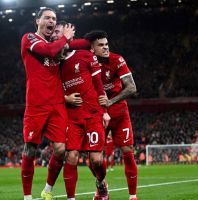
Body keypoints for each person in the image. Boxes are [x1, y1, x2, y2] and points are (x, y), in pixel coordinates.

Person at [20, 7, 75, 200]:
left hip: (57, 105)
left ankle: (48, 189)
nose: (51, 21)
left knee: (60, 150)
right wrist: (65, 38)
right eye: (47, 18)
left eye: (54, 19)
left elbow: (76, 45)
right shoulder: (29, 38)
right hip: (36, 104)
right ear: (37, 21)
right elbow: (49, 51)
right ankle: (27, 197)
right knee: (30, 149)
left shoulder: (57, 44)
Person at [50, 22, 110, 200]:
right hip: (71, 117)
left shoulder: (85, 55)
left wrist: (105, 110)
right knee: (71, 156)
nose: (55, 37)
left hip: (92, 114)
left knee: (96, 160)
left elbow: (99, 86)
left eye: (59, 34)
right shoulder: (53, 65)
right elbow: (48, 92)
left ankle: (100, 183)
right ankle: (71, 198)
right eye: (53, 35)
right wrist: (65, 99)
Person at [84, 30, 139, 200]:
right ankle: (102, 185)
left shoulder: (117, 59)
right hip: (97, 115)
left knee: (127, 151)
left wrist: (110, 101)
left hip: (119, 113)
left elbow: (132, 88)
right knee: (94, 159)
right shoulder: (85, 63)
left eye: (106, 44)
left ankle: (133, 196)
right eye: (101, 45)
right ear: (92, 49)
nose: (106, 47)